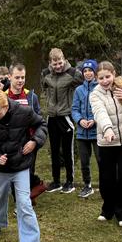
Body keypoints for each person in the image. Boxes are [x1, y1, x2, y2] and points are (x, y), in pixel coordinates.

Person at [0, 90, 47, 242]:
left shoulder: (24, 111)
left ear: (6, 107)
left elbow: (42, 125)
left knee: (24, 203)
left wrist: (34, 141)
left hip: (21, 165)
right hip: (0, 168)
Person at [89, 61, 122, 226]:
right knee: (107, 178)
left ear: (114, 74)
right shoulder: (95, 95)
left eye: (107, 77)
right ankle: (108, 208)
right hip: (107, 141)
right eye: (101, 78)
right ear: (96, 79)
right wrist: (107, 129)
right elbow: (100, 113)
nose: (105, 81)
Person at [41, 48, 82, 193]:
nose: (58, 66)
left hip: (66, 116)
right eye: (55, 64)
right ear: (50, 63)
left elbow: (83, 84)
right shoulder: (45, 74)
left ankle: (70, 181)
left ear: (64, 60)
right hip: (52, 116)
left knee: (67, 150)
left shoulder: (72, 73)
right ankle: (56, 181)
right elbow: (44, 87)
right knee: (54, 151)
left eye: (60, 63)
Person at [6, 63, 45, 201]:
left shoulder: (31, 97)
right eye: (17, 77)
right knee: (13, 174)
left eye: (23, 77)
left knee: (28, 172)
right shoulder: (3, 96)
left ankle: (26, 199)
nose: (20, 80)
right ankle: (20, 200)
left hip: (29, 143)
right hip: (10, 144)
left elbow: (40, 122)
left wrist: (34, 141)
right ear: (9, 77)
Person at [71, 59, 99, 198]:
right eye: (85, 71)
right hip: (82, 133)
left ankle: (106, 185)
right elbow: (74, 109)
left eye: (90, 71)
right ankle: (87, 185)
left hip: (97, 132)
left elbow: (103, 108)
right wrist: (80, 120)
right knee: (84, 162)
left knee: (101, 160)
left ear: (95, 72)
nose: (88, 73)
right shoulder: (78, 90)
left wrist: (95, 120)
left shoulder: (100, 88)